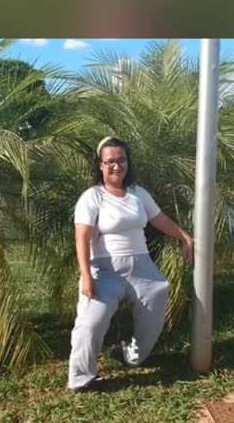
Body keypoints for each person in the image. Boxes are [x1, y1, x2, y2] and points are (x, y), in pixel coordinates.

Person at [67, 136, 194, 392]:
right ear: (100, 165)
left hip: (141, 267)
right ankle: (80, 378)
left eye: (121, 160)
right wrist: (86, 276)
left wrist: (185, 237)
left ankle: (131, 356)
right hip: (104, 270)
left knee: (157, 300)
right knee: (91, 322)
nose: (117, 166)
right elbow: (81, 237)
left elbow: (159, 219)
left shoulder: (138, 194)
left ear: (128, 162)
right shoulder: (92, 197)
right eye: (110, 161)